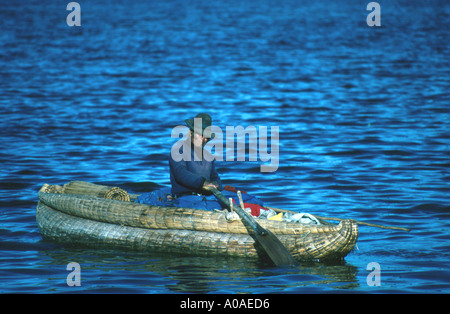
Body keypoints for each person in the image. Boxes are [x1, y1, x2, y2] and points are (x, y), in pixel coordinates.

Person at [169, 113, 223, 197]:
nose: (204, 139)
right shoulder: (177, 151)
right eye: (201, 135)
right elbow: (180, 173)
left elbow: (214, 176)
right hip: (185, 198)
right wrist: (203, 183)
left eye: (207, 137)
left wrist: (216, 184)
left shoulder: (209, 156)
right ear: (190, 133)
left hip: (205, 197)